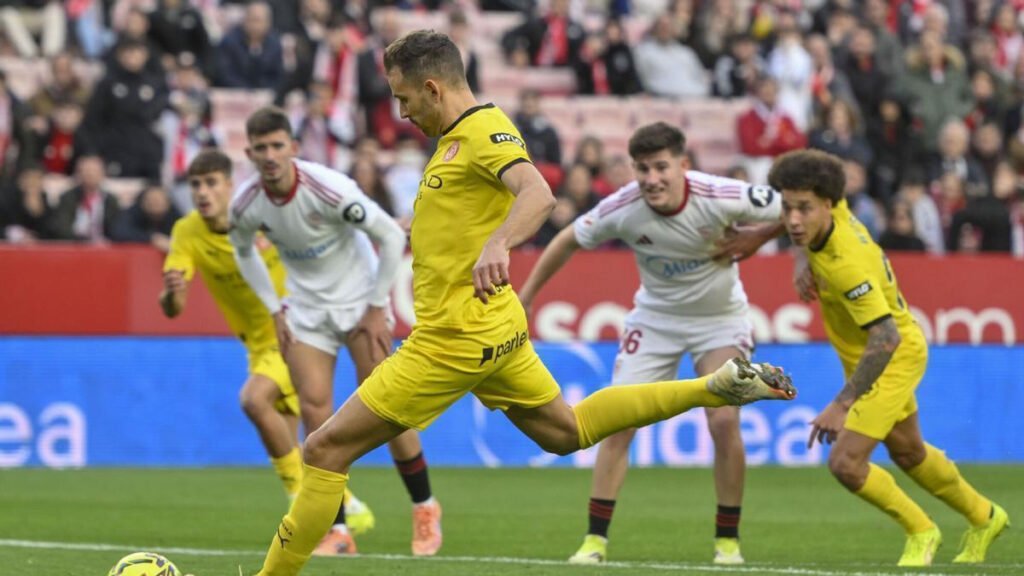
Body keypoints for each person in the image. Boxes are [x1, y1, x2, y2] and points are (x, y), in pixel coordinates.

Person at [252, 30, 797, 576]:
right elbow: (462, 218)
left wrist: (500, 242)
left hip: (452, 340)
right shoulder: (454, 141)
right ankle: (715, 385)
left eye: (404, 97)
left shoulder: (484, 130)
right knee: (568, 431)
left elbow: (537, 193)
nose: (401, 111)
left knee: (323, 452)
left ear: (434, 89)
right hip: (496, 329)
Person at [518, 121, 786, 566]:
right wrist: (525, 299)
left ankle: (727, 543)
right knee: (618, 421)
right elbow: (567, 240)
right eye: (642, 169)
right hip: (656, 320)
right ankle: (594, 542)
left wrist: (758, 237)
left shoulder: (721, 194)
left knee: (723, 422)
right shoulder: (622, 207)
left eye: (661, 167)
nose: (651, 179)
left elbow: (795, 207)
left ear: (684, 165)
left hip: (719, 320)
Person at [770, 149, 1008, 567]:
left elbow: (885, 337)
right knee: (909, 452)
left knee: (845, 463)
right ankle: (985, 516)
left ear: (826, 204)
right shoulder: (832, 207)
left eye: (803, 209)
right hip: (876, 352)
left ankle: (921, 530)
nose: (792, 219)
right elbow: (812, 198)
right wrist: (801, 256)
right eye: (787, 207)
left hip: (890, 355)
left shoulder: (848, 263)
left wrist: (842, 403)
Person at [229, 108, 441, 557]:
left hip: (360, 299)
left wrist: (376, 304)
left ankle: (424, 506)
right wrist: (274, 308)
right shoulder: (247, 204)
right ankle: (338, 530)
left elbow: (389, 235)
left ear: (293, 147)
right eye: (260, 148)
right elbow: (243, 251)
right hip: (306, 311)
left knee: (387, 406)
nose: (269, 155)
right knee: (316, 412)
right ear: (249, 153)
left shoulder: (327, 187)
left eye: (276, 145)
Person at [159, 149, 375, 539]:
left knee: (254, 400)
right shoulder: (186, 231)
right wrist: (171, 292)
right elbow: (173, 308)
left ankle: (300, 499)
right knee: (295, 444)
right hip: (257, 347)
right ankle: (347, 506)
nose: (203, 192)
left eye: (211, 183)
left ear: (230, 184)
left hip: (297, 331)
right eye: (195, 185)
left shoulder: (259, 215)